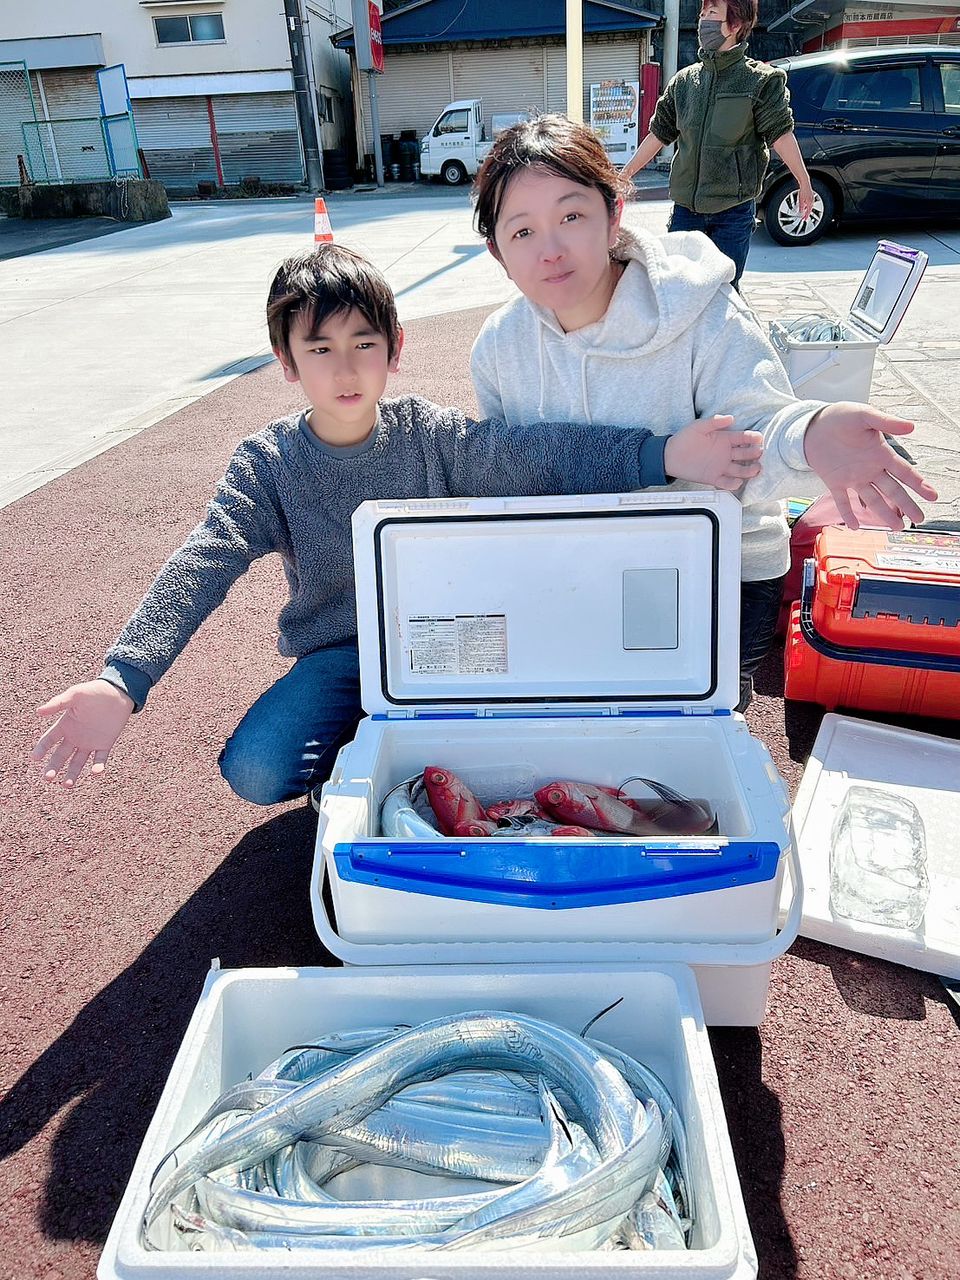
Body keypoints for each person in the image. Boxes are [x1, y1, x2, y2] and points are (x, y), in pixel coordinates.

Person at [30, 243, 764, 800]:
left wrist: (664, 453)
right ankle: (357, 759)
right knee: (254, 769)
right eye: (318, 349)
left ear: (394, 351)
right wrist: (122, 680)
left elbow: (534, 456)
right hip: (341, 655)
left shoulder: (430, 436)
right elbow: (201, 564)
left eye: (363, 346)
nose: (344, 370)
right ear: (286, 362)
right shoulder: (267, 464)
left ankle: (380, 772)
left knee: (517, 765)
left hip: (450, 651)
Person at [469, 114, 936, 709]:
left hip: (716, 572)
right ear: (498, 251)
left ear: (614, 216)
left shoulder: (700, 313)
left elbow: (760, 427)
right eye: (523, 232)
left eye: (571, 216)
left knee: (685, 724)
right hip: (584, 569)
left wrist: (810, 434)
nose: (551, 250)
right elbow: (507, 470)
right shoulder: (499, 346)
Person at [620, 0, 814, 287]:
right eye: (702, 14)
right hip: (686, 210)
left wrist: (804, 182)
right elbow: (658, 134)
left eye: (712, 14)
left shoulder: (760, 81)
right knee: (679, 291)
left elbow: (781, 134)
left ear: (735, 25)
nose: (702, 21)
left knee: (725, 294)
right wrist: (624, 175)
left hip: (732, 213)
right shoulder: (685, 82)